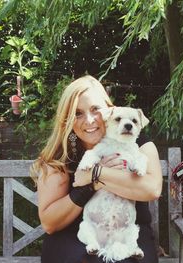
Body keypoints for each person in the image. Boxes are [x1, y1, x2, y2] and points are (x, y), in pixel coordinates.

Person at [31, 75, 162, 263]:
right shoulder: (61, 155)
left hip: (127, 233)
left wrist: (96, 174)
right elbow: (50, 223)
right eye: (77, 114)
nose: (89, 120)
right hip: (77, 234)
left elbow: (152, 188)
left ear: (109, 109)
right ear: (67, 119)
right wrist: (88, 187)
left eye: (95, 109)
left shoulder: (137, 142)